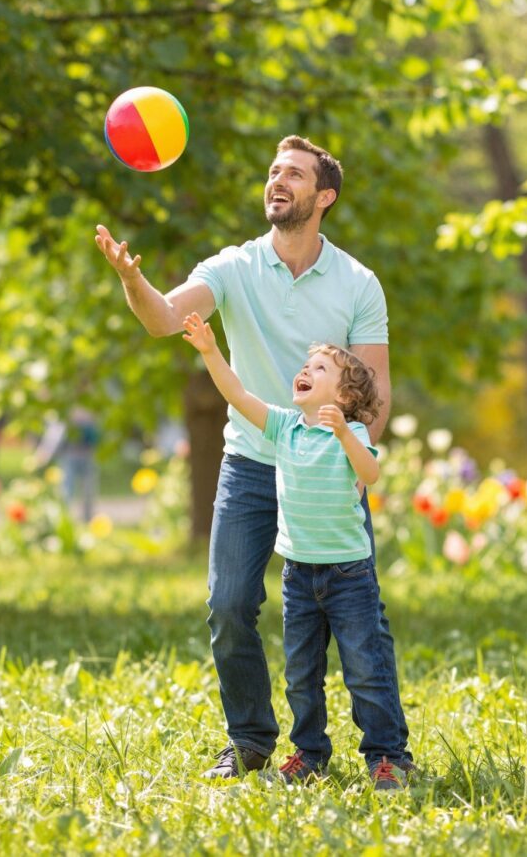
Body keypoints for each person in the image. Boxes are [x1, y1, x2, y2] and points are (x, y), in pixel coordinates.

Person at [95, 135, 412, 780]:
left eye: (293, 174)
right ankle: (251, 742)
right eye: (272, 171)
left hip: (325, 468)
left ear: (323, 196)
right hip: (250, 462)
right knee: (230, 604)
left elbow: (374, 394)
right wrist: (133, 279)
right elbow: (163, 320)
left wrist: (352, 461)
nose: (278, 181)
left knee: (356, 619)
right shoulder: (234, 267)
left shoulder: (359, 283)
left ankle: (387, 753)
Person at [183, 314, 411, 790]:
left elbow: (370, 475)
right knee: (302, 676)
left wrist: (346, 434)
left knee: (365, 670)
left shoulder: (353, 436)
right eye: (306, 364)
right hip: (300, 577)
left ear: (345, 397)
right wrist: (209, 350)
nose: (305, 370)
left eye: (320, 368)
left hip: (349, 576)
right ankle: (309, 754)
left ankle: (387, 756)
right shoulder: (285, 428)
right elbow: (239, 396)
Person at [34, 407, 101, 520]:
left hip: (87, 453)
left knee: (88, 490)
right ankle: (65, 518)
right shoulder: (66, 407)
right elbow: (55, 433)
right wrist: (45, 452)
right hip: (70, 454)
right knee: (66, 489)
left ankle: (88, 518)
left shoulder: (91, 407)